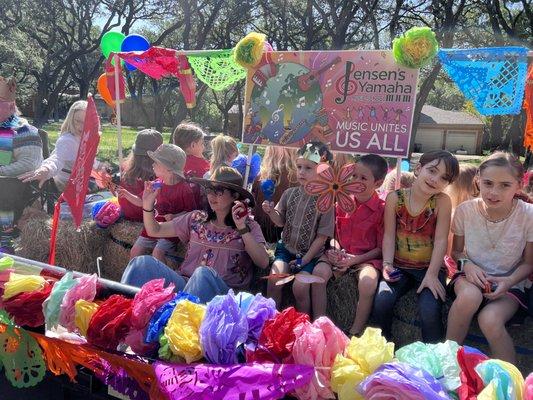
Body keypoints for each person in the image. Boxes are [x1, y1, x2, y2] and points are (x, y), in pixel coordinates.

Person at [120, 166, 269, 303]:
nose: (211, 195)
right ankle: (119, 315)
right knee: (141, 263)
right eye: (209, 189)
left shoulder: (249, 225)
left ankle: (174, 324)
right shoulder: (196, 219)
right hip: (185, 285)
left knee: (203, 275)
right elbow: (155, 230)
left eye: (218, 191)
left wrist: (242, 227)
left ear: (235, 195)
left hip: (222, 298)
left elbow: (263, 262)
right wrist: (147, 205)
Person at [446, 152, 533, 363]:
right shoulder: (465, 210)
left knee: (490, 319)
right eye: (488, 183)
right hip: (470, 276)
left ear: (518, 185)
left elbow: (529, 263)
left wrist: (508, 281)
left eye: (504, 185)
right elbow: (455, 252)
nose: (494, 192)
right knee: (469, 297)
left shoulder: (528, 215)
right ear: (478, 180)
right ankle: (446, 361)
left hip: (509, 283)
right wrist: (467, 265)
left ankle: (508, 383)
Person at [372, 150, 459, 343]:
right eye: (432, 171)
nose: (436, 179)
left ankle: (433, 355)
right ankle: (382, 347)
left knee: (430, 309)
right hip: (399, 266)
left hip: (430, 267)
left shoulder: (442, 202)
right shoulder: (395, 198)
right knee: (382, 299)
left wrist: (431, 274)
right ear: (419, 169)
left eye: (444, 178)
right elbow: (388, 235)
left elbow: (441, 241)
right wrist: (387, 264)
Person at [262, 141, 334, 319]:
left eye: (308, 168)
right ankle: (272, 320)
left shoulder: (326, 201)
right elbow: (280, 222)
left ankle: (304, 323)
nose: (301, 172)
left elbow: (321, 237)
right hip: (286, 249)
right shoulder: (289, 193)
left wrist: (305, 260)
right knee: (274, 278)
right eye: (299, 166)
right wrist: (271, 212)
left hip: (309, 255)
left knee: (300, 287)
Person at [326, 154, 388, 336]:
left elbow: (380, 249)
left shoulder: (382, 209)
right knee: (318, 274)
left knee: (368, 282)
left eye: (363, 178)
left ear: (377, 183)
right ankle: (319, 321)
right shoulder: (342, 203)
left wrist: (355, 260)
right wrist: (335, 248)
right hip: (342, 255)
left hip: (367, 259)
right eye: (353, 176)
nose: (356, 182)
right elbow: (333, 235)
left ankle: (355, 330)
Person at [118, 144, 201, 262]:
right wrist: (126, 194)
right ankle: (132, 278)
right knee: (135, 251)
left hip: (170, 229)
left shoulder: (184, 189)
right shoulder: (156, 184)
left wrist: (175, 216)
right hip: (153, 225)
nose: (152, 164)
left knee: (158, 252)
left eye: (156, 162)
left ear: (168, 168)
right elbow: (142, 202)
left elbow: (192, 214)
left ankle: (161, 280)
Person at [19, 100, 107, 191]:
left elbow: (89, 162)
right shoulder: (67, 140)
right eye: (77, 121)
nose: (81, 126)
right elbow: (57, 159)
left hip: (84, 180)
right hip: (67, 185)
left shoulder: (88, 138)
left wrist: (101, 167)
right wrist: (46, 169)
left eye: (85, 122)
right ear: (71, 120)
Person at [0, 76, 43, 253]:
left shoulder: (24, 130)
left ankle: (5, 238)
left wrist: (1, 170)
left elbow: (29, 164)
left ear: (11, 104)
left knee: (5, 188)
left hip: (19, 185)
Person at [251, 146, 298, 243]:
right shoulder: (299, 177)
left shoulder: (261, 176)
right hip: (288, 228)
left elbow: (253, 204)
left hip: (263, 227)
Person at [118, 129, 163, 222]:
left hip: (125, 214)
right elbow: (142, 202)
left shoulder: (125, 168)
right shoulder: (158, 176)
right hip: (146, 217)